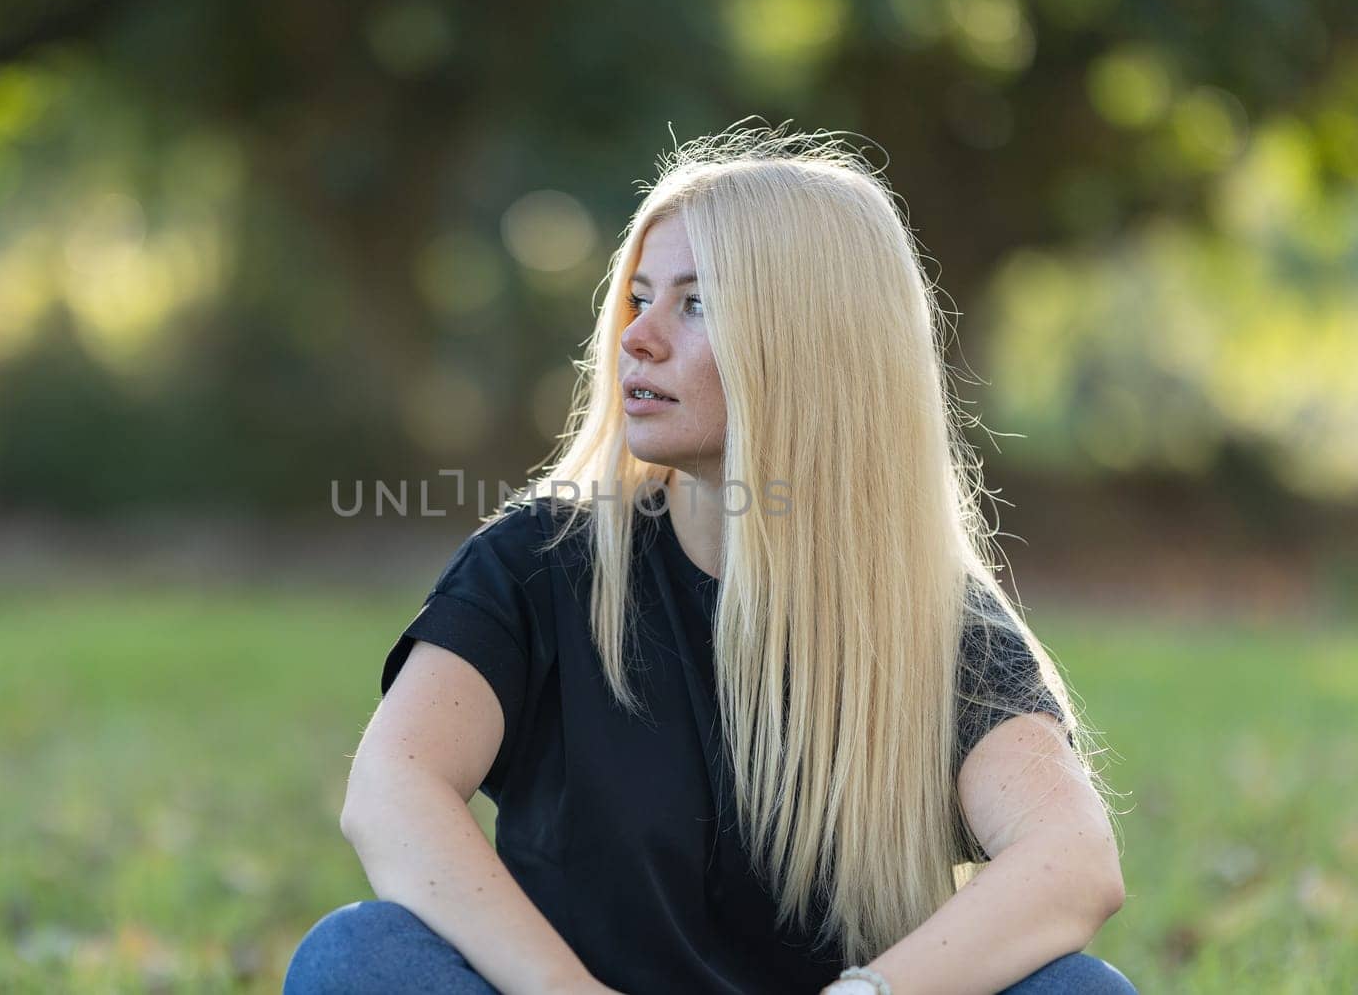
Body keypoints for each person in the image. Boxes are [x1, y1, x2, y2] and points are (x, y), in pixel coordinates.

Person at [286, 123, 1137, 994]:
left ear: (814, 348)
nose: (639, 339)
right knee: (358, 956)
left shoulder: (935, 620)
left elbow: (1073, 859)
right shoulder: (539, 561)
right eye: (639, 299)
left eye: (696, 304)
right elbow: (393, 787)